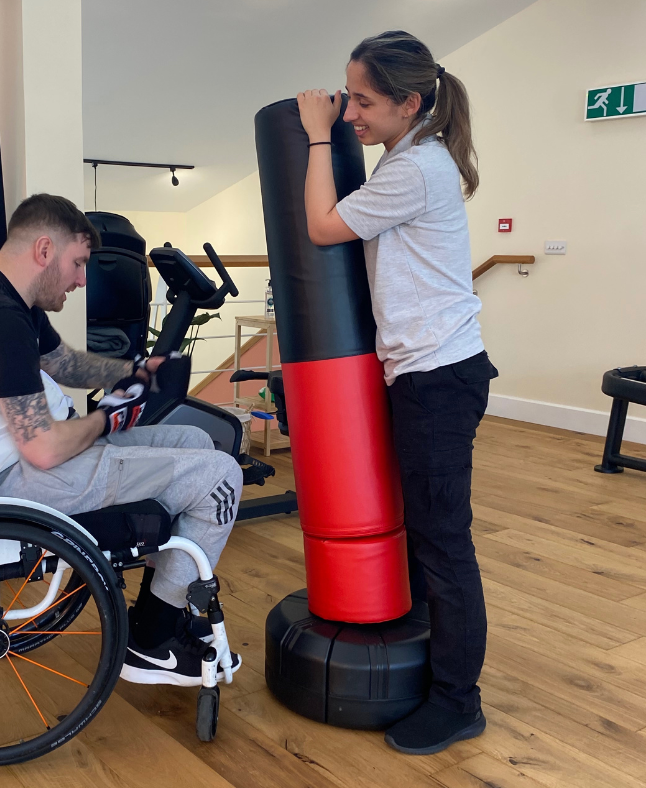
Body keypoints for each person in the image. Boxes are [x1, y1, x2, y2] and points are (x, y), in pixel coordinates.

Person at [0, 193, 241, 687]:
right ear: (45, 249)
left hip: (0, 461)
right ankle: (152, 641)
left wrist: (133, 370)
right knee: (221, 477)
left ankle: (161, 591)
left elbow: (64, 363)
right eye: (79, 263)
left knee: (193, 437)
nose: (82, 279)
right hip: (13, 479)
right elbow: (42, 447)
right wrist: (108, 420)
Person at [297, 30, 498, 755]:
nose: (351, 110)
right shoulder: (405, 159)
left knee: (445, 544)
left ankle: (457, 701)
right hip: (421, 373)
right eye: (347, 95)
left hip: (438, 379)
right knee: (427, 533)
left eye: (363, 100)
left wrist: (317, 137)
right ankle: (435, 664)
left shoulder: (416, 170)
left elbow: (322, 229)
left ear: (410, 102)